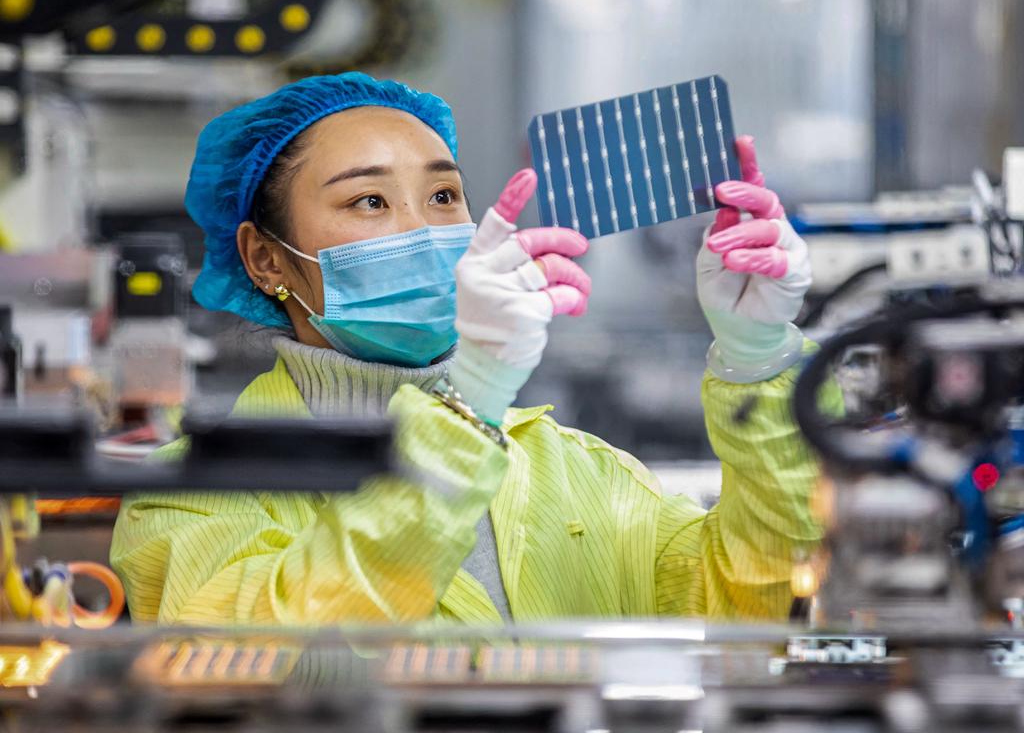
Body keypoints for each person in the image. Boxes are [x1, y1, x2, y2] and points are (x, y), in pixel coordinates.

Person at [110, 72, 839, 626]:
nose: (421, 231)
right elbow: (285, 664)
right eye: (368, 201)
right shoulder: (191, 493)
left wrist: (760, 357)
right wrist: (467, 406)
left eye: (442, 198)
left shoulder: (577, 474)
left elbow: (755, 600)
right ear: (266, 260)